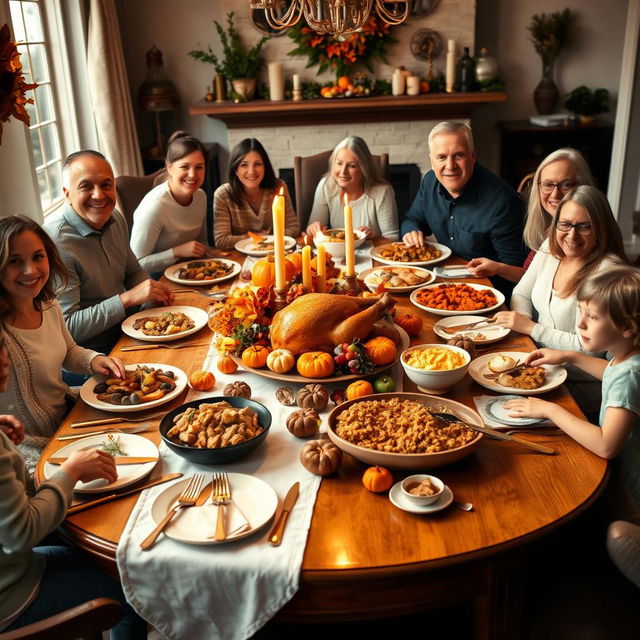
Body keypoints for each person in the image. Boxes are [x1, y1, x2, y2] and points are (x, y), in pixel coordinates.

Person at [0, 330, 147, 638]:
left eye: (2, 347)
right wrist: (70, 472)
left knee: (119, 563)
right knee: (136, 591)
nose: (4, 362)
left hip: (18, 567)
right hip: (12, 595)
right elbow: (21, 533)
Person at [502, 267, 640, 586]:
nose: (580, 324)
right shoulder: (628, 358)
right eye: (580, 311)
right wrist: (571, 357)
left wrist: (548, 409)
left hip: (630, 496)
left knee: (617, 537)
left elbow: (607, 445)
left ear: (628, 327)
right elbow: (613, 371)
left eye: (591, 317)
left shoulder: (630, 375)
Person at [0, 216, 125, 468]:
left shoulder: (48, 304)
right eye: (15, 261)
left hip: (66, 418)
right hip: (25, 448)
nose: (30, 270)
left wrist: (94, 360)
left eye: (38, 256)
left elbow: (68, 351)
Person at [44, 150, 174, 354]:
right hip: (91, 355)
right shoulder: (55, 242)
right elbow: (68, 327)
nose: (99, 195)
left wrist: (152, 294)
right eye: (86, 186)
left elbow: (132, 271)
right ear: (67, 193)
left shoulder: (115, 217)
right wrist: (127, 299)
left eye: (106, 185)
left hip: (129, 331)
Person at [400, 121, 526, 296]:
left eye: (458, 155)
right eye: (442, 157)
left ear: (473, 156)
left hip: (490, 293)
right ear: (431, 161)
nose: (450, 166)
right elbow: (411, 219)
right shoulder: (429, 182)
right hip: (446, 282)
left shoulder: (503, 202)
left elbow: (516, 272)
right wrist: (411, 231)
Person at [467, 148, 595, 282]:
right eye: (548, 185)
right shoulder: (548, 229)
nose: (555, 195)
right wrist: (497, 268)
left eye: (566, 185)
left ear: (583, 187)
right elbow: (530, 278)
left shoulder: (584, 237)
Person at [130, 131, 209, 275]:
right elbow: (136, 265)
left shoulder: (201, 196)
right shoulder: (155, 206)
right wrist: (176, 252)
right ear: (169, 167)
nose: (192, 174)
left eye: (199, 167)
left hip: (189, 271)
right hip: (155, 279)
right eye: (185, 167)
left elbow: (202, 242)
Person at [305, 136, 398, 240]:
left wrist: (374, 236)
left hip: (369, 254)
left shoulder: (382, 192)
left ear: (364, 169)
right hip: (335, 254)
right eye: (339, 163)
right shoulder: (326, 185)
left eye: (352, 166)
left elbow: (393, 237)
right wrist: (312, 228)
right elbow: (312, 229)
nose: (343, 171)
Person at [213, 138, 300, 249]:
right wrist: (255, 237)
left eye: (257, 164)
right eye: (244, 165)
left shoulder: (278, 187)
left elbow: (294, 228)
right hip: (240, 257)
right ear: (235, 170)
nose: (251, 171)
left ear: (265, 167)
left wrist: (268, 238)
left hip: (274, 252)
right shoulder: (223, 195)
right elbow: (221, 241)